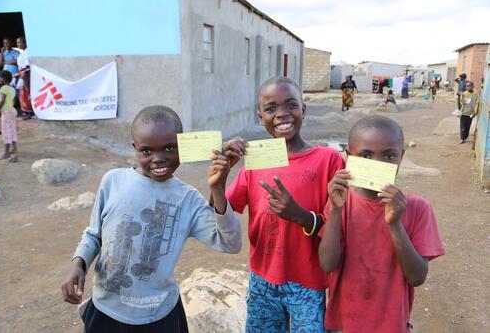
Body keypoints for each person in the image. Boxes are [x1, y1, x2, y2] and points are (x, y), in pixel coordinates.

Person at [61, 105, 242, 333]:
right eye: (147, 151)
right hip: (106, 309)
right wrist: (78, 263)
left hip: (159, 316)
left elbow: (231, 243)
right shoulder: (113, 182)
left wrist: (217, 187)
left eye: (169, 148)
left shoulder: (187, 199)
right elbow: (93, 234)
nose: (158, 159)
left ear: (183, 146)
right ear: (135, 148)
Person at [222, 77, 344, 333]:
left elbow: (337, 225)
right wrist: (221, 175)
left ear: (303, 109)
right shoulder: (256, 160)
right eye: (270, 109)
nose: (281, 114)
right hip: (263, 279)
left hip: (308, 281)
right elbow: (224, 207)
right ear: (260, 116)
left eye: (290, 105)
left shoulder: (328, 159)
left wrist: (299, 215)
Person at [319, 116, 445, 333]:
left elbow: (417, 277)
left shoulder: (418, 208)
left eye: (389, 155)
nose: (377, 164)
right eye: (366, 155)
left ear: (401, 157)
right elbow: (328, 264)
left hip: (391, 326)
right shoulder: (341, 202)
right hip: (343, 324)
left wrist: (395, 224)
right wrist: (336, 211)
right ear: (349, 158)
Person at [0, 70, 18, 161]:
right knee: (12, 129)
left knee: (6, 131)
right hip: (12, 110)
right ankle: (14, 149)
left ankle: (6, 153)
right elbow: (14, 101)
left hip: (6, 112)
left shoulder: (3, 88)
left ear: (3, 79)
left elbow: (2, 100)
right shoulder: (12, 88)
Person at [16, 36, 33, 120]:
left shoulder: (27, 52)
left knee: (27, 92)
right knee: (22, 93)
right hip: (22, 73)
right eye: (17, 43)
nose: (18, 44)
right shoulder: (22, 53)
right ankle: (26, 111)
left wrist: (23, 75)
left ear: (24, 43)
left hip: (25, 73)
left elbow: (27, 65)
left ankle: (30, 112)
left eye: (19, 42)